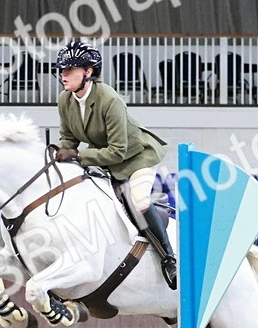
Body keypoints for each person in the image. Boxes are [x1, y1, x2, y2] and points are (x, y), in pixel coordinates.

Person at [51, 39, 177, 290]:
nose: (63, 75)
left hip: (135, 159)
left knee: (139, 201)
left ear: (88, 72)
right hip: (104, 161)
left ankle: (168, 257)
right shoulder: (64, 100)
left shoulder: (110, 100)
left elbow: (118, 151)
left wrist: (78, 157)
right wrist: (63, 154)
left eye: (70, 70)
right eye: (62, 70)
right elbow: (68, 139)